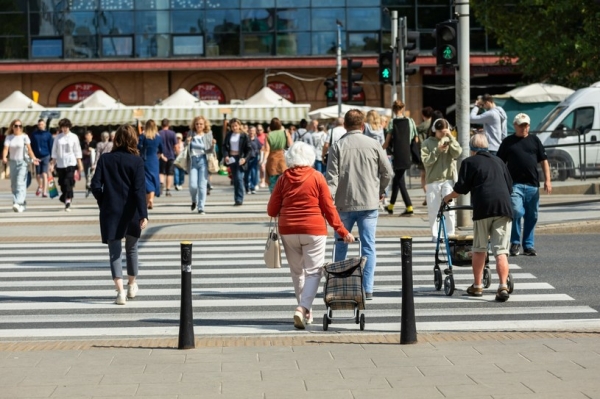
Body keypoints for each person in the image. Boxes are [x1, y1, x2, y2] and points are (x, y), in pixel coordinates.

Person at [267, 141, 354, 329]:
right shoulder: (317, 177)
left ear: (290, 158)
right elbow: (328, 208)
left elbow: (271, 209)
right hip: (314, 230)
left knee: (297, 272)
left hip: (288, 230)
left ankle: (306, 311)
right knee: (314, 272)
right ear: (310, 157)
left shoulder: (283, 179)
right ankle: (303, 307)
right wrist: (342, 231)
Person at [327, 109, 393, 300]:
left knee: (340, 244)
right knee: (368, 246)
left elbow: (331, 178)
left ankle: (338, 284)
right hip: (369, 202)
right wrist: (380, 190)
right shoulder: (373, 144)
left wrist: (328, 201)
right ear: (363, 125)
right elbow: (387, 172)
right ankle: (367, 288)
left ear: (345, 126)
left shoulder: (337, 146)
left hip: (343, 203)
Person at [443, 134, 514, 302]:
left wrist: (447, 198)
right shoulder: (499, 161)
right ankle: (503, 286)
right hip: (504, 208)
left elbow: (461, 188)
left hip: (483, 208)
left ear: (472, 149)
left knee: (479, 248)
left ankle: (477, 286)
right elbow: (509, 186)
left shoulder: (469, 162)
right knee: (501, 251)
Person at [90, 124, 148, 305]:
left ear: (116, 140)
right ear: (133, 140)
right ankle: (132, 285)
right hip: (132, 211)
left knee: (114, 251)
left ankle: (120, 292)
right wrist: (143, 214)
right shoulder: (137, 161)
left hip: (111, 210)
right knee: (132, 249)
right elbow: (139, 190)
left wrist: (103, 201)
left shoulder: (105, 159)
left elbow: (95, 185)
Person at [497, 113, 552, 257]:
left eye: (526, 125)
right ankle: (515, 242)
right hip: (515, 184)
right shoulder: (508, 142)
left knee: (532, 215)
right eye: (521, 125)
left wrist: (548, 180)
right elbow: (500, 162)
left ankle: (528, 245)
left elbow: (544, 160)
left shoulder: (535, 140)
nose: (524, 128)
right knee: (516, 211)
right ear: (515, 126)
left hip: (533, 185)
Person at [421, 118, 462, 241]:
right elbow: (426, 162)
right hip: (433, 180)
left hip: (448, 179)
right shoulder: (427, 143)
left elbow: (458, 153)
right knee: (433, 208)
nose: (442, 134)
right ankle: (435, 234)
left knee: (449, 209)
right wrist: (437, 151)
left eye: (445, 131)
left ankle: (450, 233)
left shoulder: (449, 140)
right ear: (435, 130)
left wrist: (450, 136)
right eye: (440, 132)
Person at [383, 101, 417, 216]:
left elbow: (387, 142)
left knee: (400, 180)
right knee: (397, 179)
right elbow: (415, 139)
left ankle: (409, 206)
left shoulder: (392, 122)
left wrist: (380, 149)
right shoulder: (411, 121)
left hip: (397, 154)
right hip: (407, 153)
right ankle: (391, 207)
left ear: (393, 109)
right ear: (403, 109)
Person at [2, 119, 39, 212]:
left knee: (20, 183)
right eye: (16, 126)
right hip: (13, 162)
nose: (18, 128)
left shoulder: (25, 137)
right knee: (14, 185)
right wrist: (4, 157)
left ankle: (17, 202)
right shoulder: (9, 137)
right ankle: (21, 203)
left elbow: (29, 149)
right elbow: (6, 149)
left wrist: (34, 158)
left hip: (22, 162)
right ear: (12, 127)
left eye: (20, 126)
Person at [50, 118, 83, 212]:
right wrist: (52, 164)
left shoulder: (74, 137)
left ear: (69, 127)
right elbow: (54, 151)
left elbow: (77, 150)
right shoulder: (58, 137)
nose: (64, 129)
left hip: (71, 163)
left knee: (68, 182)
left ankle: (68, 201)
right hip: (60, 164)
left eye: (66, 127)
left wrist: (80, 163)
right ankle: (65, 197)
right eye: (62, 127)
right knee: (62, 183)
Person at [187, 116, 215, 214]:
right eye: (197, 124)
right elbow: (186, 150)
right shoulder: (190, 134)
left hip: (203, 161)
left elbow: (210, 151)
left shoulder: (208, 135)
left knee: (202, 185)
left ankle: (201, 207)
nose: (199, 125)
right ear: (194, 125)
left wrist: (213, 145)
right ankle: (194, 200)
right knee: (193, 185)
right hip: (193, 161)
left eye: (201, 124)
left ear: (204, 125)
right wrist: (187, 142)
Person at [222, 118, 251, 206]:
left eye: (236, 126)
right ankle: (237, 198)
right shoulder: (229, 135)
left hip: (240, 159)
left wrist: (245, 159)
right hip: (231, 159)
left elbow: (249, 149)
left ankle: (239, 199)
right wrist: (226, 155)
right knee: (235, 179)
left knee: (239, 178)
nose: (234, 128)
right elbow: (224, 146)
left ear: (239, 126)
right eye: (232, 126)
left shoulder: (244, 135)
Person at [138, 120, 164, 210]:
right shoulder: (158, 137)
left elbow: (138, 147)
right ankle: (151, 199)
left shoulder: (142, 136)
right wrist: (158, 156)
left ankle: (146, 201)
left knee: (146, 180)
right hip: (154, 160)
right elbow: (162, 149)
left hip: (144, 159)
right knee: (154, 178)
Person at [263, 117, 292, 192]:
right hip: (283, 160)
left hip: (272, 161)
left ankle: (275, 200)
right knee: (284, 184)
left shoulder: (268, 135)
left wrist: (263, 161)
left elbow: (267, 150)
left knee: (273, 185)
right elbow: (291, 145)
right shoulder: (285, 133)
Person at [30, 118, 53, 198]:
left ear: (45, 125)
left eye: (42, 124)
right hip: (37, 156)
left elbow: (51, 146)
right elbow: (31, 146)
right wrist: (32, 156)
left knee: (44, 174)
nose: (41, 126)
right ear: (38, 125)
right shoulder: (34, 134)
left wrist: (51, 158)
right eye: (39, 124)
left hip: (46, 155)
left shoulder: (48, 134)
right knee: (38, 175)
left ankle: (44, 192)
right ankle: (40, 186)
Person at [417, 107, 434, 204]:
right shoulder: (434, 125)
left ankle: (428, 195)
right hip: (434, 152)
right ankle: (429, 196)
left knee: (423, 176)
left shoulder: (420, 127)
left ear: (423, 115)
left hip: (423, 153)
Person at [158, 118, 177, 196]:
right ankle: (168, 190)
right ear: (168, 125)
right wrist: (176, 152)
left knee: (161, 172)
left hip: (161, 155)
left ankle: (161, 184)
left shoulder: (158, 133)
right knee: (170, 173)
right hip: (171, 155)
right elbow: (176, 146)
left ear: (161, 125)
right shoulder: (172, 133)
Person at [245, 126, 262, 195]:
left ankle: (252, 187)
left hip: (254, 158)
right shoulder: (246, 139)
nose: (252, 132)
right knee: (246, 174)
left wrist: (260, 158)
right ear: (248, 131)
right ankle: (247, 187)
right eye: (250, 130)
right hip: (246, 159)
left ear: (255, 132)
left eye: (253, 131)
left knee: (253, 173)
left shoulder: (256, 140)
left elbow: (260, 148)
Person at [81, 130, 97, 197]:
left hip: (92, 161)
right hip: (85, 160)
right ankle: (88, 187)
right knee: (86, 175)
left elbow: (96, 150)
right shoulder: (83, 143)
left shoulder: (94, 142)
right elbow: (81, 151)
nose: (88, 137)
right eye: (87, 135)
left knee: (92, 175)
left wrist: (92, 150)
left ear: (92, 136)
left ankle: (91, 187)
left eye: (89, 135)